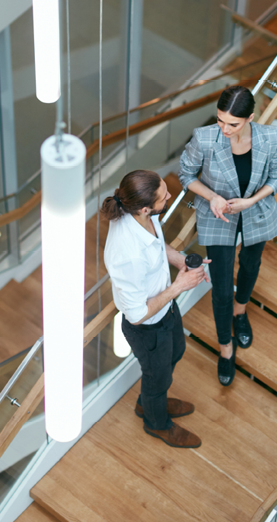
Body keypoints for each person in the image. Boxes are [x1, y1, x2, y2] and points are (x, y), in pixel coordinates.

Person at [178, 85, 277, 386]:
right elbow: (185, 174)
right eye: (220, 120)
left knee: (251, 266)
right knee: (221, 287)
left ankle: (241, 311)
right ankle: (226, 346)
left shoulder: (271, 138)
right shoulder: (205, 137)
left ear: (250, 117)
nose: (224, 128)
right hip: (218, 216)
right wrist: (211, 196)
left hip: (256, 212)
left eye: (233, 124)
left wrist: (252, 200)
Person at [102, 169, 209, 449]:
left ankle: (149, 401)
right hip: (147, 328)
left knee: (177, 352)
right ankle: (155, 423)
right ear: (146, 207)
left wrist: (179, 261)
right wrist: (179, 286)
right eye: (164, 196)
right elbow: (136, 314)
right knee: (157, 377)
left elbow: (158, 245)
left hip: (165, 311)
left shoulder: (140, 214)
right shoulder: (127, 255)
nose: (171, 195)